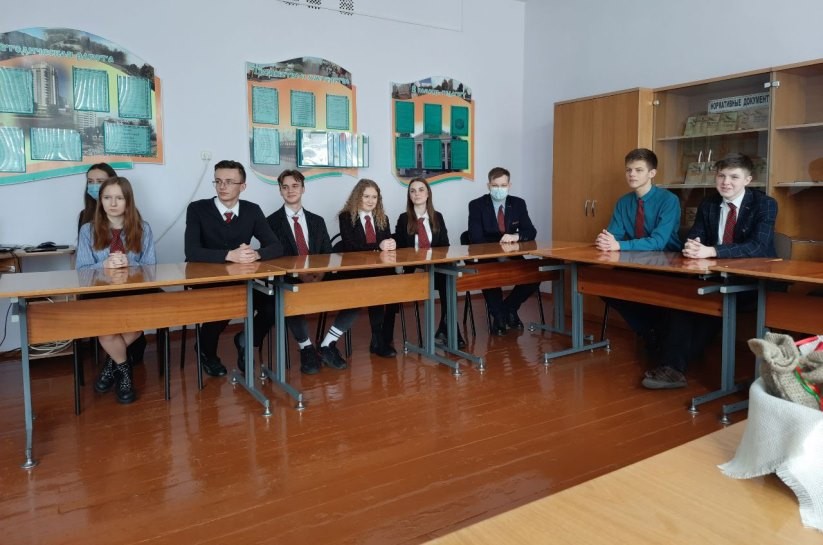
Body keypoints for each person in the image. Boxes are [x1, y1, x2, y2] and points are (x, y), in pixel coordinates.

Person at [642, 153, 778, 389]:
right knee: (684, 297)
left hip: (755, 281)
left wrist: (712, 250)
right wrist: (693, 245)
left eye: (734, 177)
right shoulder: (709, 203)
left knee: (709, 301)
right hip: (715, 277)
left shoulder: (765, 204)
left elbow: (758, 246)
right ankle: (672, 367)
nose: (726, 182)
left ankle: (672, 364)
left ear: (748, 180)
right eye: (721, 176)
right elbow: (697, 235)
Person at [184, 160, 284, 377]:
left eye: (229, 182)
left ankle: (246, 340)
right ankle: (206, 352)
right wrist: (229, 255)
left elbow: (276, 246)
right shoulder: (197, 209)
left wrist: (256, 254)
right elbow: (191, 251)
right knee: (224, 303)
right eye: (218, 181)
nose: (222, 186)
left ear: (243, 186)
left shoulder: (252, 210)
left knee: (273, 303)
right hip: (207, 281)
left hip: (240, 281)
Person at [266, 169, 357, 374]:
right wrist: (299, 274)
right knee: (289, 296)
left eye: (295, 186)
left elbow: (328, 254)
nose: (290, 190)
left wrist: (320, 274)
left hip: (319, 277)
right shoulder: (270, 222)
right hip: (290, 280)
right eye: (285, 187)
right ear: (280, 191)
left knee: (356, 293)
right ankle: (306, 347)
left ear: (303, 189)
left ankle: (327, 344)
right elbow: (273, 259)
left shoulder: (317, 221)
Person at [76, 177, 156, 404]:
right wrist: (103, 265)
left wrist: (130, 264)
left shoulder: (143, 228)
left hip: (134, 293)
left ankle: (111, 366)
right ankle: (124, 372)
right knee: (106, 331)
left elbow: (151, 268)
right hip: (100, 292)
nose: (113, 203)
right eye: (107, 198)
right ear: (100, 201)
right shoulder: (88, 230)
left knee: (134, 327)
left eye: (119, 198)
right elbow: (81, 270)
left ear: (128, 201)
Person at [595, 148, 682, 354]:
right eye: (628, 170)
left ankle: (654, 333)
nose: (632, 174)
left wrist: (619, 245)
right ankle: (649, 331)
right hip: (634, 260)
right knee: (601, 284)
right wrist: (605, 240)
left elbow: (658, 242)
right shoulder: (624, 202)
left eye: (638, 170)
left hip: (666, 263)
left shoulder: (669, 200)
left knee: (650, 293)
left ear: (652, 173)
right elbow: (614, 235)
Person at [393, 177, 465, 348]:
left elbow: (445, 246)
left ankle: (447, 329)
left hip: (436, 268)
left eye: (421, 190)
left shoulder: (437, 217)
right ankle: (451, 332)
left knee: (449, 283)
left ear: (428, 194)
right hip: (414, 270)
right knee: (446, 282)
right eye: (412, 191)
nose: (416, 194)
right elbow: (400, 250)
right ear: (409, 196)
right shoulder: (403, 219)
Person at [467, 166, 538, 335]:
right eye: (495, 185)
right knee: (490, 275)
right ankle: (499, 317)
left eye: (503, 185)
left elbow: (531, 231)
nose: (499, 189)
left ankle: (508, 308)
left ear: (509, 185)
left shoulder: (518, 204)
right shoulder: (476, 205)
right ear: (488, 185)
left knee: (535, 274)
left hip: (512, 254)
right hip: (487, 256)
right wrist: (500, 246)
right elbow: (475, 237)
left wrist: (516, 236)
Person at [338, 178, 398, 358]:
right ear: (358, 196)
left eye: (374, 197)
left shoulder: (382, 218)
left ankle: (383, 336)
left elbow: (385, 244)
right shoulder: (346, 217)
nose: (371, 201)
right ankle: (378, 339)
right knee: (377, 284)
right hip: (356, 270)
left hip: (380, 268)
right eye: (366, 196)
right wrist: (378, 246)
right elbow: (351, 246)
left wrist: (391, 243)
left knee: (396, 285)